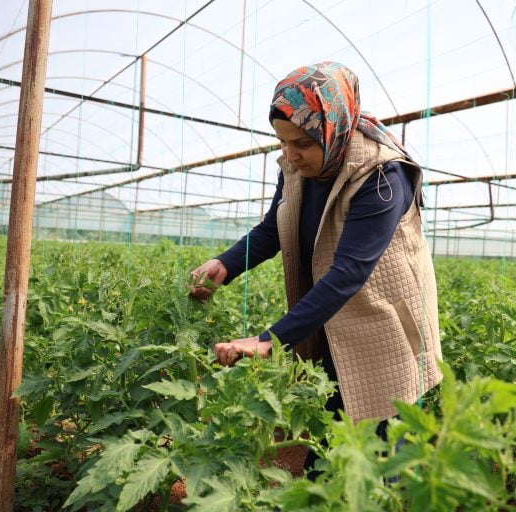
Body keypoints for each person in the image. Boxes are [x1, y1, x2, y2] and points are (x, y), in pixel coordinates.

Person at [189, 61, 442, 439]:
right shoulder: (298, 167)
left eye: (302, 143)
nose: (290, 154)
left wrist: (266, 341)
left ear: (333, 128)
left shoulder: (382, 175)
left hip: (384, 328)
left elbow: (348, 274)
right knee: (335, 433)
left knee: (381, 444)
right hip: (330, 322)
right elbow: (274, 228)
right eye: (282, 142)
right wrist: (226, 264)